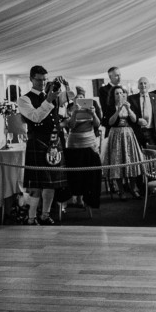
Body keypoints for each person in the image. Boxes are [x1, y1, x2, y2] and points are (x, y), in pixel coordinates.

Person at [17, 65, 72, 226]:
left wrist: (66, 86)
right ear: (31, 79)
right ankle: (31, 218)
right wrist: (48, 100)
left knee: (52, 183)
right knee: (37, 184)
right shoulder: (24, 99)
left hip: (54, 141)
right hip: (37, 142)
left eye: (44, 80)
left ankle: (45, 215)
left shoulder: (51, 95)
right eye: (39, 80)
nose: (42, 83)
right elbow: (35, 117)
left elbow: (70, 102)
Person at [103, 85, 144, 200]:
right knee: (117, 161)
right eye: (117, 93)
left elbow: (135, 120)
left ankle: (133, 188)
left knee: (130, 160)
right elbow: (110, 123)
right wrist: (119, 110)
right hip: (115, 134)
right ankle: (120, 190)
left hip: (128, 134)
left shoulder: (129, 105)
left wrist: (129, 109)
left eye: (121, 93)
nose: (120, 95)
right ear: (113, 96)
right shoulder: (110, 107)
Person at [63, 91, 102, 210]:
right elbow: (70, 125)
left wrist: (93, 114)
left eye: (82, 98)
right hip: (74, 143)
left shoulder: (90, 109)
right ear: (74, 100)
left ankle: (88, 197)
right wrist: (75, 112)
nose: (80, 99)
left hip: (89, 142)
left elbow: (97, 124)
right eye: (78, 98)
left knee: (89, 170)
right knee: (76, 171)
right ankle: (77, 197)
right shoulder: (70, 110)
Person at [128, 77, 156, 150]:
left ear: (149, 85)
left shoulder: (155, 97)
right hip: (137, 131)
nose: (143, 85)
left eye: (145, 83)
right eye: (141, 83)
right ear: (138, 86)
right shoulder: (131, 98)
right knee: (139, 153)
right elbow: (129, 116)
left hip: (152, 131)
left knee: (153, 153)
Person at [98, 67, 122, 138]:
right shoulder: (103, 90)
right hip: (111, 124)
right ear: (110, 77)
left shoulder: (122, 90)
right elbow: (105, 108)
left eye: (120, 75)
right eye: (116, 75)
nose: (119, 77)